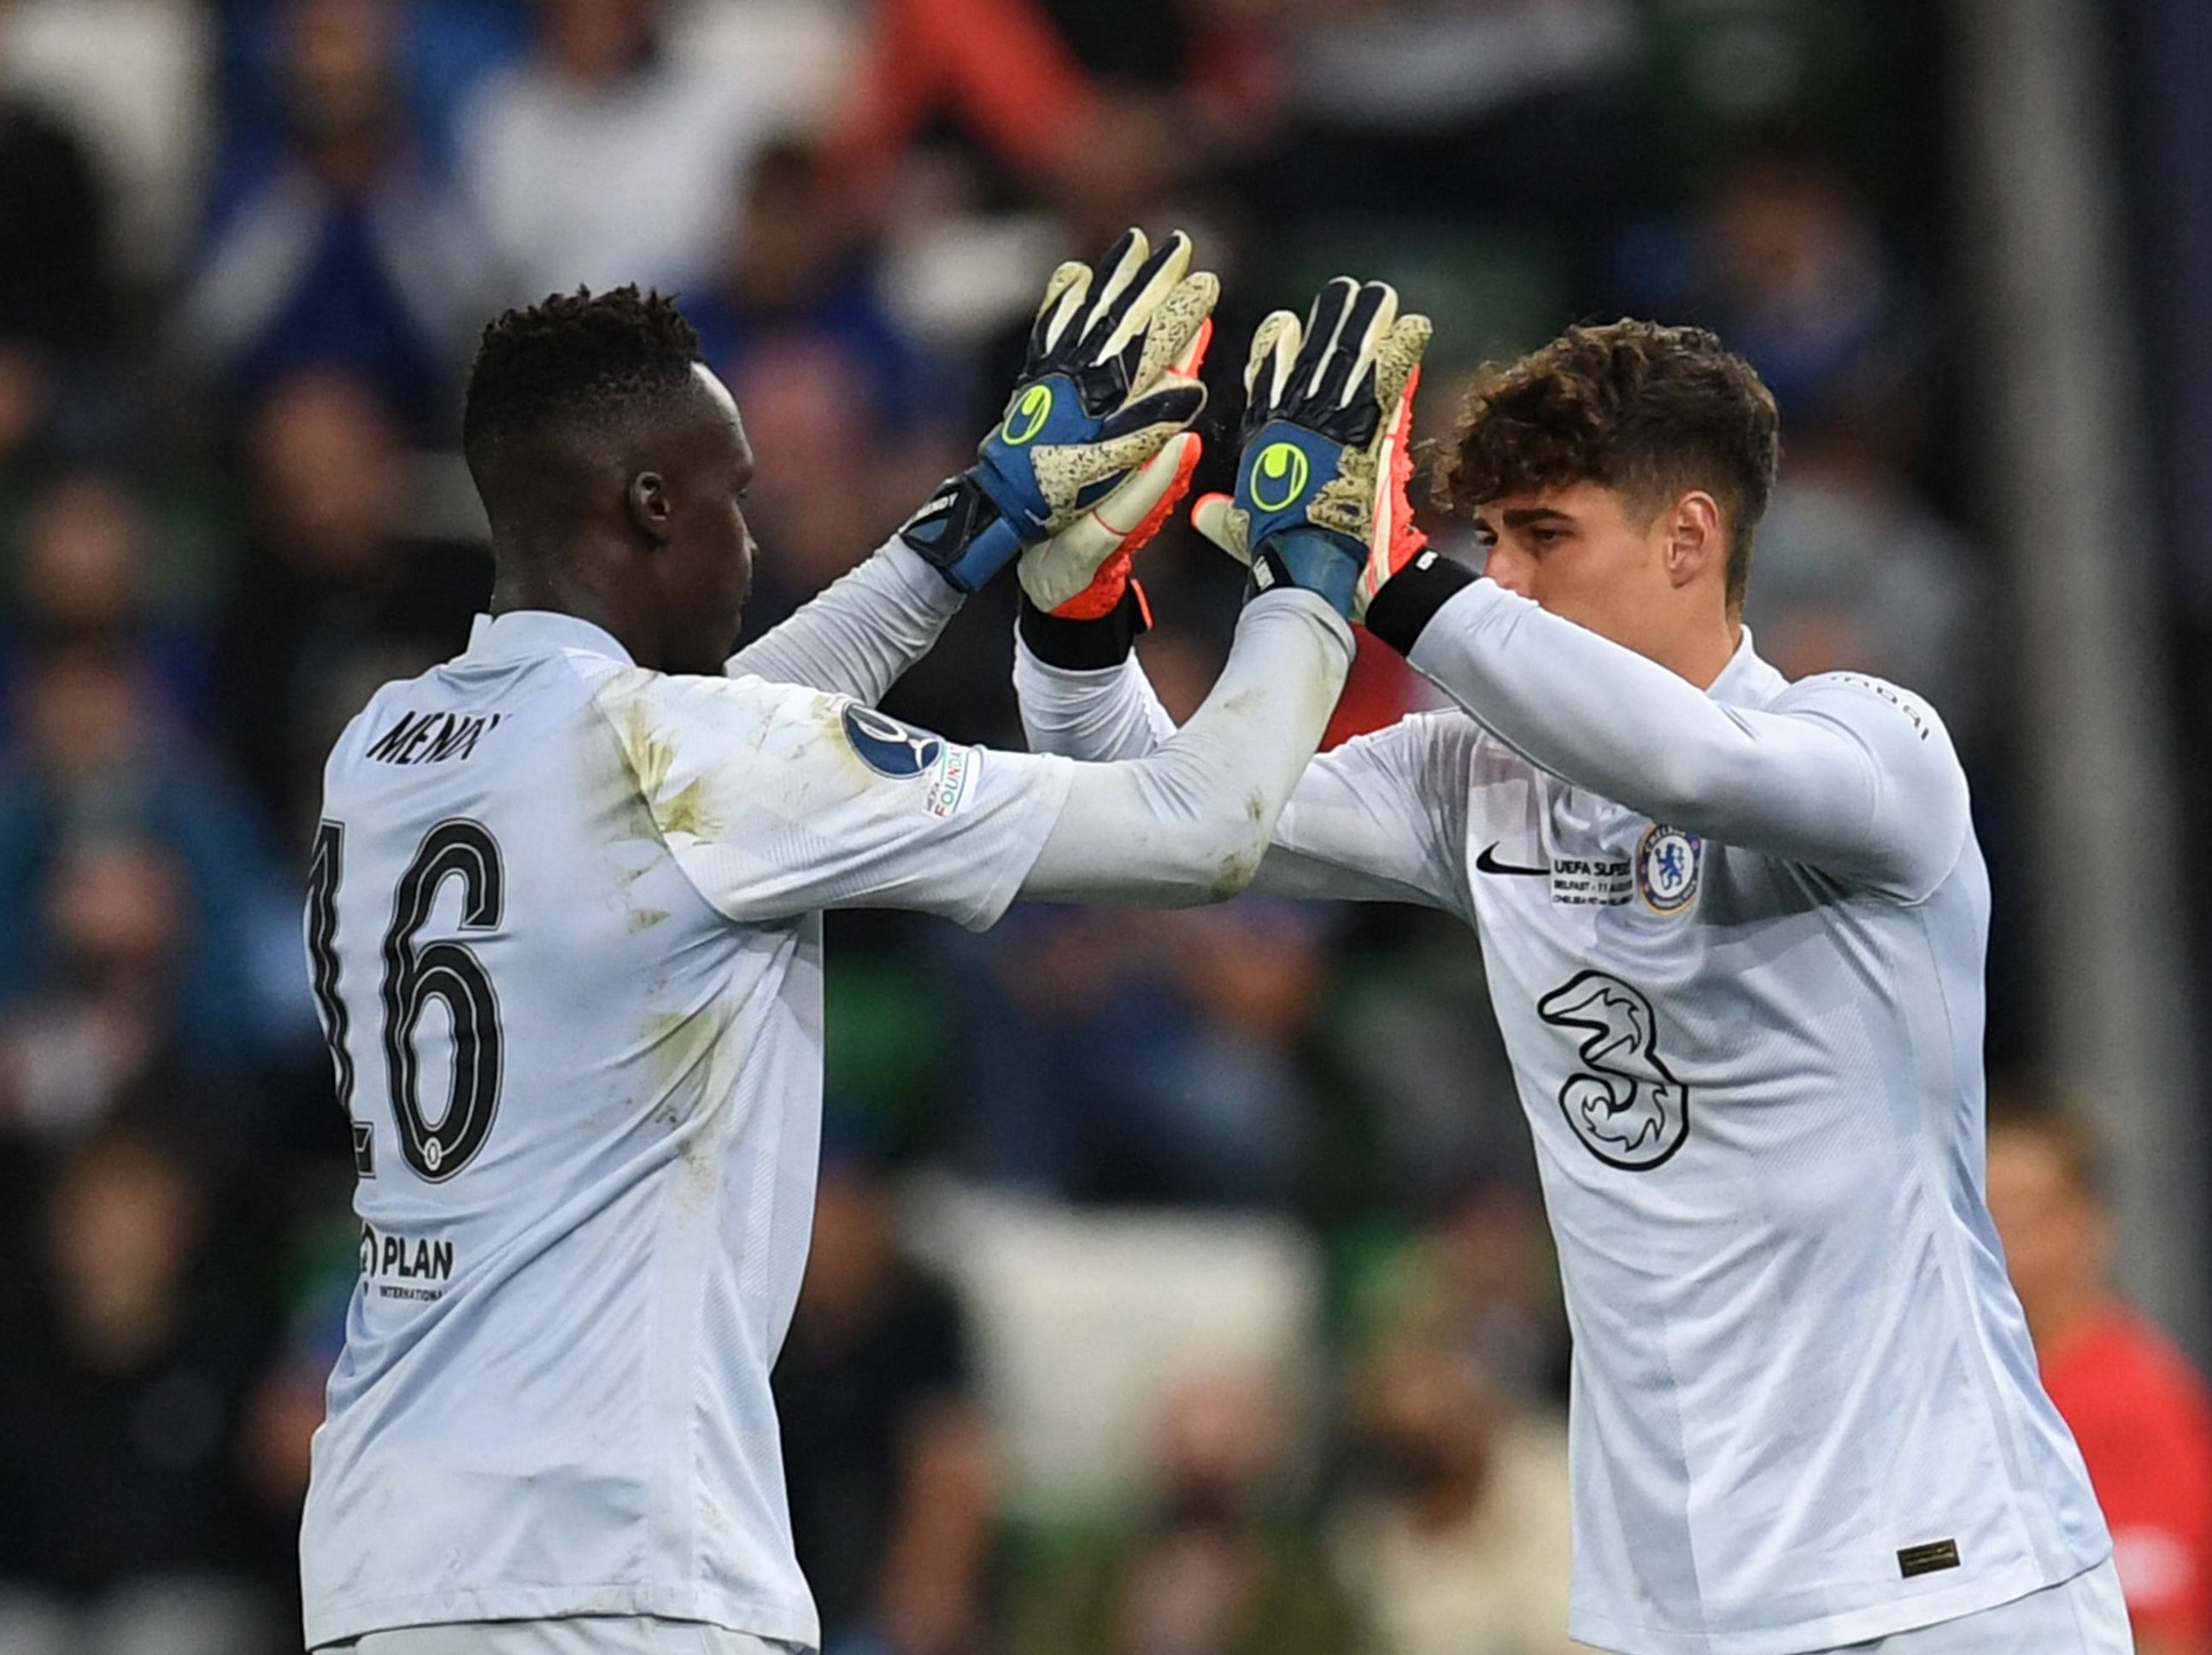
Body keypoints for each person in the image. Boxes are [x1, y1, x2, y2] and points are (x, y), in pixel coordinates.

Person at [296, 228, 1383, 1655]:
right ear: (650, 505)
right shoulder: (691, 764)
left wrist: (982, 514)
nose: (751, 541)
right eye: (733, 498)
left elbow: (715, 745)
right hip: (614, 1570)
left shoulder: (385, 749)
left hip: (384, 1561)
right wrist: (1312, 573)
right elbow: (1204, 829)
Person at [1011, 314, 2123, 1652]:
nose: (1506, 581)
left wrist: (1396, 574)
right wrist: (1073, 628)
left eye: (1545, 535)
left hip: (1945, 1585)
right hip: (1666, 1608)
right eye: (1489, 541)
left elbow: (1694, 770)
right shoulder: (1473, 778)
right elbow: (1171, 824)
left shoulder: (1874, 750)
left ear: (1688, 538)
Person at [1987, 1105, 2212, 1655]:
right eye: (1987, 1213)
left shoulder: (2131, 1400)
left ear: (2092, 1223)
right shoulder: (1980, 1392)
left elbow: (2159, 1633)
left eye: (2029, 1213)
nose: (2007, 1240)